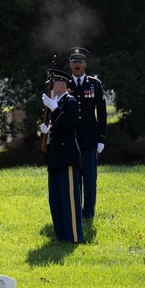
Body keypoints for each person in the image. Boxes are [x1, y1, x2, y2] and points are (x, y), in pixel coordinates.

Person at [40, 68, 83, 243]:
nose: (50, 87)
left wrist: (55, 109)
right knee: (56, 200)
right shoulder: (54, 103)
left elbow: (71, 125)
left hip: (68, 156)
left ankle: (73, 237)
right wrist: (46, 130)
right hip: (55, 157)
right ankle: (61, 236)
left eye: (53, 83)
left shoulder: (69, 101)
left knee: (70, 200)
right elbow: (58, 128)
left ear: (62, 84)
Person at [66, 47, 107, 220]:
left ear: (86, 64)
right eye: (74, 61)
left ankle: (88, 213)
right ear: (70, 64)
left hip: (90, 138)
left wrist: (102, 138)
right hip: (71, 138)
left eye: (80, 61)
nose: (77, 64)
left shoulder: (95, 84)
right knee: (74, 178)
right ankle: (75, 211)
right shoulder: (64, 84)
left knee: (90, 178)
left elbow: (102, 112)